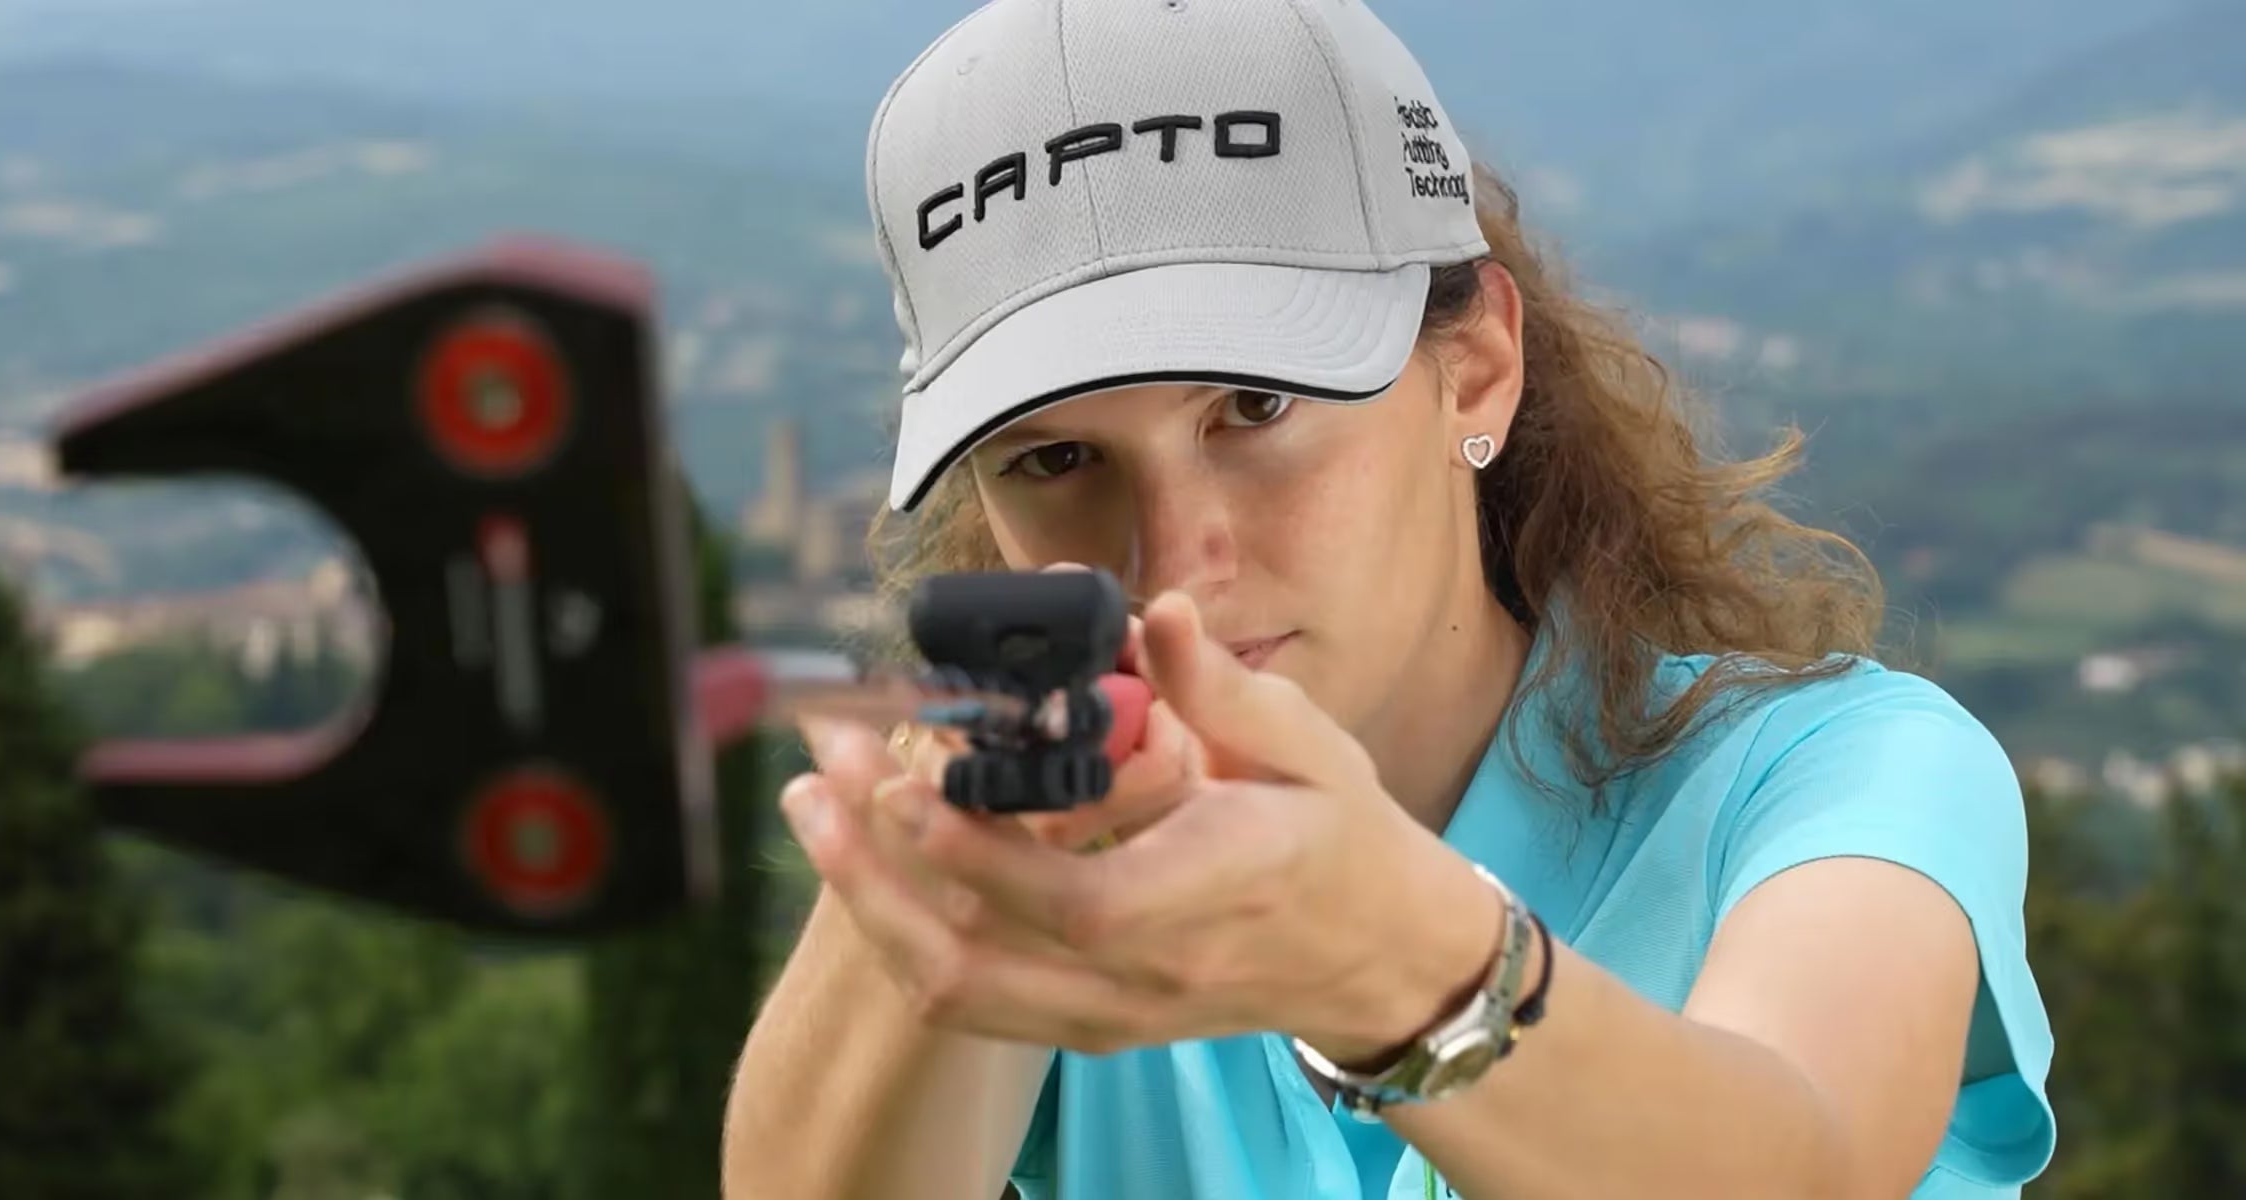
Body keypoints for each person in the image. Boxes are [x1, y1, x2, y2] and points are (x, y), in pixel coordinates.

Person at [722, 0, 2056, 1196]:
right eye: (1057, 460)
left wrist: (1397, 966)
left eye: (1254, 407)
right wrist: (940, 897)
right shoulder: (1061, 841)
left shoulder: (1832, 781)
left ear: (1472, 370)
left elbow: (1808, 1163)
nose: (1176, 559)